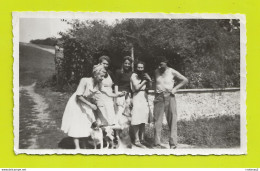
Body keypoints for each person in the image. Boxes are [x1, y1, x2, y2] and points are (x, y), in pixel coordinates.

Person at [61, 65, 105, 149]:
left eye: (103, 76)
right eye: (101, 76)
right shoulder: (85, 80)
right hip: (76, 103)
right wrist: (90, 105)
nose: (102, 78)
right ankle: (77, 148)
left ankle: (84, 146)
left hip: (86, 103)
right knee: (76, 124)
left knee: (85, 124)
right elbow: (79, 96)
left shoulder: (99, 84)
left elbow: (98, 95)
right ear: (95, 74)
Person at [153, 56, 188, 149]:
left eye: (161, 63)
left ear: (166, 63)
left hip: (169, 96)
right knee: (157, 121)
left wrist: (175, 88)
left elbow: (185, 80)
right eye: (159, 63)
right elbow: (155, 84)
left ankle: (173, 144)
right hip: (159, 97)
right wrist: (155, 94)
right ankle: (157, 144)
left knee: (172, 120)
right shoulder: (156, 71)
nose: (159, 65)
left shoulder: (172, 71)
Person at [130, 61, 152, 148]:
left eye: (141, 68)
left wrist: (149, 79)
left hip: (144, 97)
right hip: (137, 96)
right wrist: (144, 80)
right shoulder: (134, 75)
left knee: (143, 118)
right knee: (136, 119)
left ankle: (142, 139)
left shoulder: (144, 75)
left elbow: (149, 86)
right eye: (138, 67)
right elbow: (136, 87)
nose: (140, 69)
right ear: (136, 68)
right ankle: (136, 140)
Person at [114, 56, 133, 124]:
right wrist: (116, 96)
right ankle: (116, 131)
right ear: (123, 63)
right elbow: (116, 84)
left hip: (128, 95)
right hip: (120, 93)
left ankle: (125, 129)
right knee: (119, 111)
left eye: (129, 63)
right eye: (125, 63)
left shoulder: (132, 73)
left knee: (127, 112)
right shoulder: (118, 72)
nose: (127, 65)